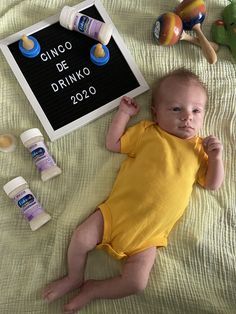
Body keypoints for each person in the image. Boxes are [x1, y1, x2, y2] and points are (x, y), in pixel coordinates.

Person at [42, 68, 224, 314]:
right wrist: (124, 114)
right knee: (81, 237)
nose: (187, 117)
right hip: (115, 215)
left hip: (149, 236)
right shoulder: (150, 133)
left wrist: (216, 158)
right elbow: (113, 143)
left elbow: (212, 184)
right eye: (176, 109)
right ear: (155, 113)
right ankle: (74, 277)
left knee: (137, 283)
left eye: (196, 110)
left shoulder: (200, 151)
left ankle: (94, 289)